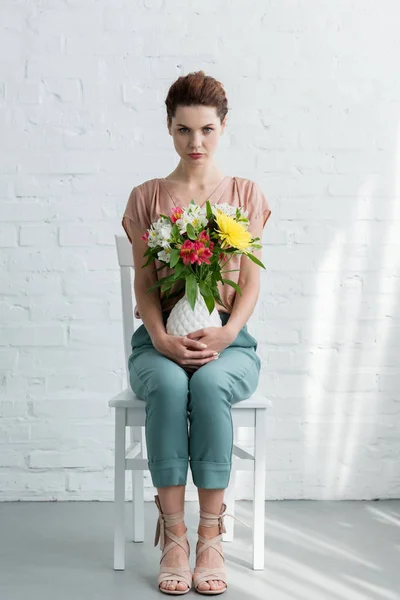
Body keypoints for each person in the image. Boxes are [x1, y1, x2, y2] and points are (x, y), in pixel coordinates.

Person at [121, 70, 271, 595]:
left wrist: (228, 334)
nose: (196, 142)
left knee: (206, 386)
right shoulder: (147, 197)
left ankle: (210, 535)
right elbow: (144, 283)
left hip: (230, 344)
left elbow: (250, 282)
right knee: (168, 384)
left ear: (223, 127)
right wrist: (160, 338)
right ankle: (175, 535)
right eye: (184, 130)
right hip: (159, 343)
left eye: (206, 129)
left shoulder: (245, 195)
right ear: (169, 128)